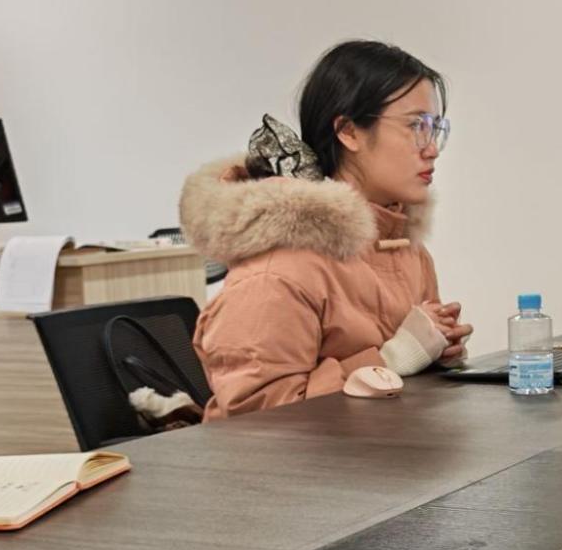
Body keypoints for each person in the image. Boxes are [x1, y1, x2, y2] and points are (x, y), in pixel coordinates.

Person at [180, 40, 472, 416]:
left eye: (436, 129)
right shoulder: (279, 266)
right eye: (416, 126)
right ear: (348, 131)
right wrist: (392, 360)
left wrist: (434, 353)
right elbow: (258, 420)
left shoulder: (404, 248)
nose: (432, 149)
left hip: (383, 448)